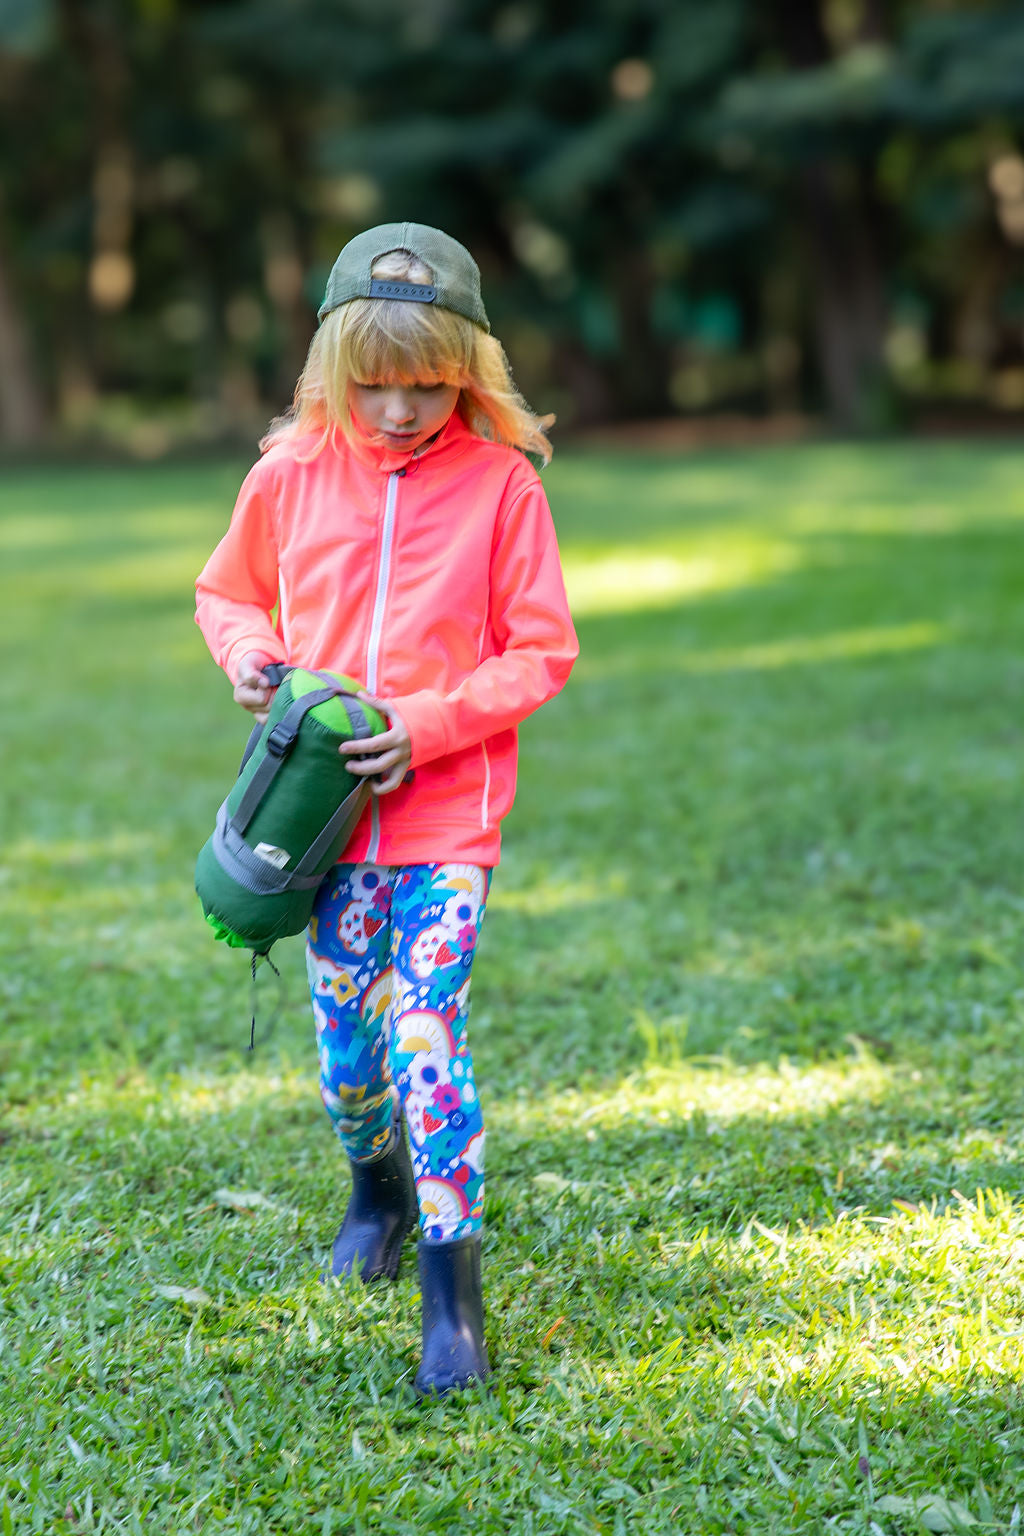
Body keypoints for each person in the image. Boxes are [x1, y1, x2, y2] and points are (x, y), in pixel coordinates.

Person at [194, 222, 578, 1396]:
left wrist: (430, 725)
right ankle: (376, 1191)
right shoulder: (288, 475)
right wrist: (253, 654)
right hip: (318, 830)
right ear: (332, 365)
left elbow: (541, 651)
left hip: (444, 824)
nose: (404, 408)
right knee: (351, 1058)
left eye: (430, 382)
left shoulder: (501, 485)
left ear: (467, 369)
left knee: (426, 1034)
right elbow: (226, 593)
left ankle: (452, 1305)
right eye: (377, 382)